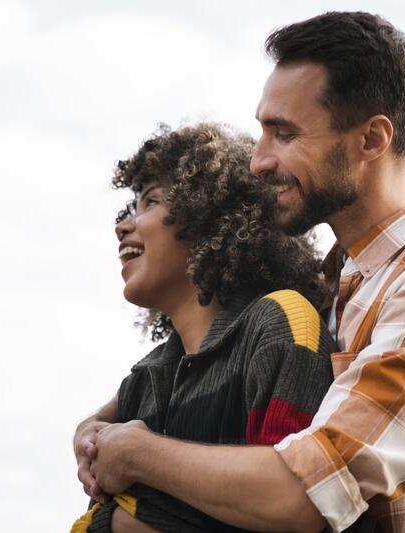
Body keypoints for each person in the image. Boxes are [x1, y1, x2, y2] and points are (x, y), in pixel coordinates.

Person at [84, 11, 405, 533]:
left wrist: (135, 454)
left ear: (371, 140)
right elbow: (207, 357)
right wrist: (99, 426)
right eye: (262, 131)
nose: (258, 161)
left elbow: (305, 494)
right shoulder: (331, 286)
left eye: (284, 134)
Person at [71, 123, 336, 533]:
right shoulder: (144, 380)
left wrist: (123, 513)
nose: (123, 225)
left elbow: (294, 506)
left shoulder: (280, 324)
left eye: (151, 201)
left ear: (209, 215)